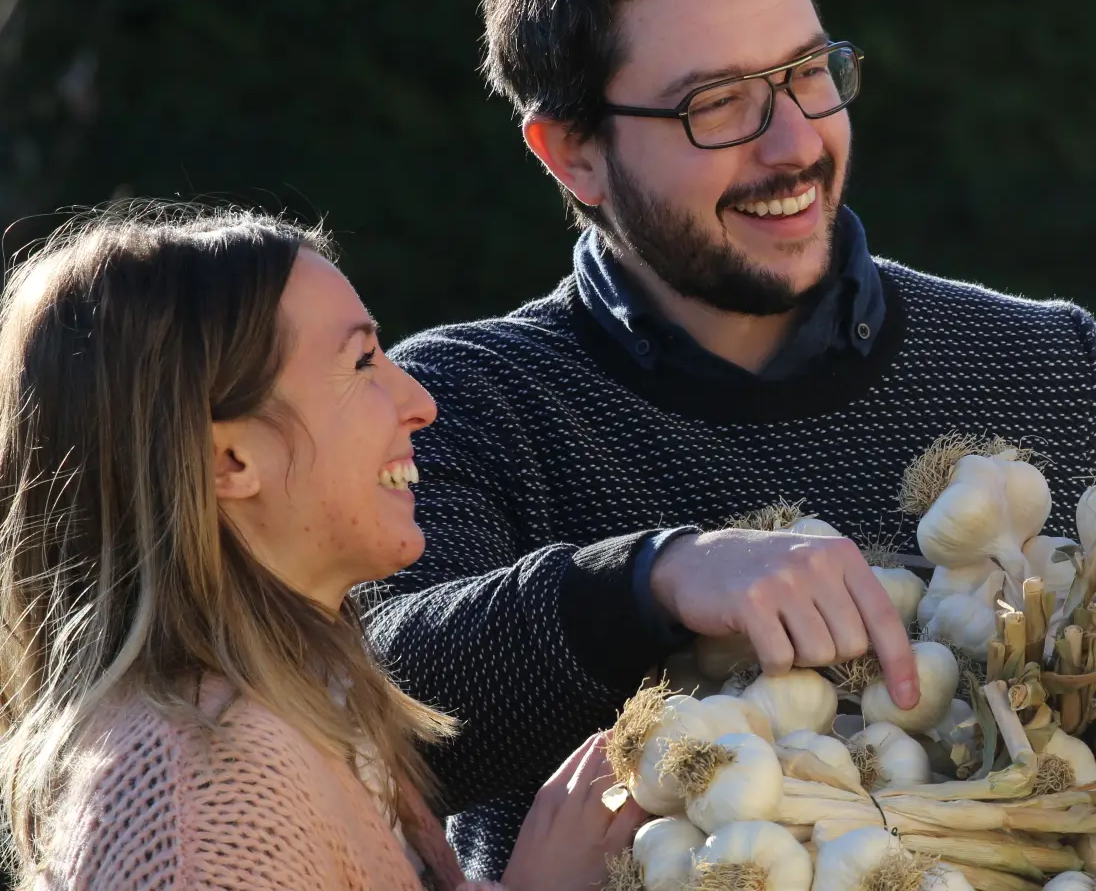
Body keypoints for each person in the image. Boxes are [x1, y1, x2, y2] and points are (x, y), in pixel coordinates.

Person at [357, 0, 1096, 877]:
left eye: (808, 75)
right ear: (572, 155)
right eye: (716, 104)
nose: (795, 144)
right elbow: (365, 715)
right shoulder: (461, 400)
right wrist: (652, 580)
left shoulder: (1043, 364)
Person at [0, 206, 641, 890]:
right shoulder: (204, 808)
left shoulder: (303, 717)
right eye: (361, 362)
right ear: (227, 461)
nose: (420, 402)